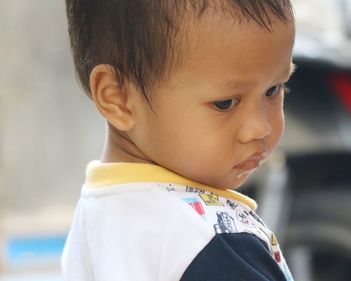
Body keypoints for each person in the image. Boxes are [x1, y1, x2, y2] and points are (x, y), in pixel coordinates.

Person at [62, 0, 296, 280]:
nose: (260, 128)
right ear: (119, 98)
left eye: (274, 89)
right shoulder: (209, 242)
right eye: (225, 103)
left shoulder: (98, 215)